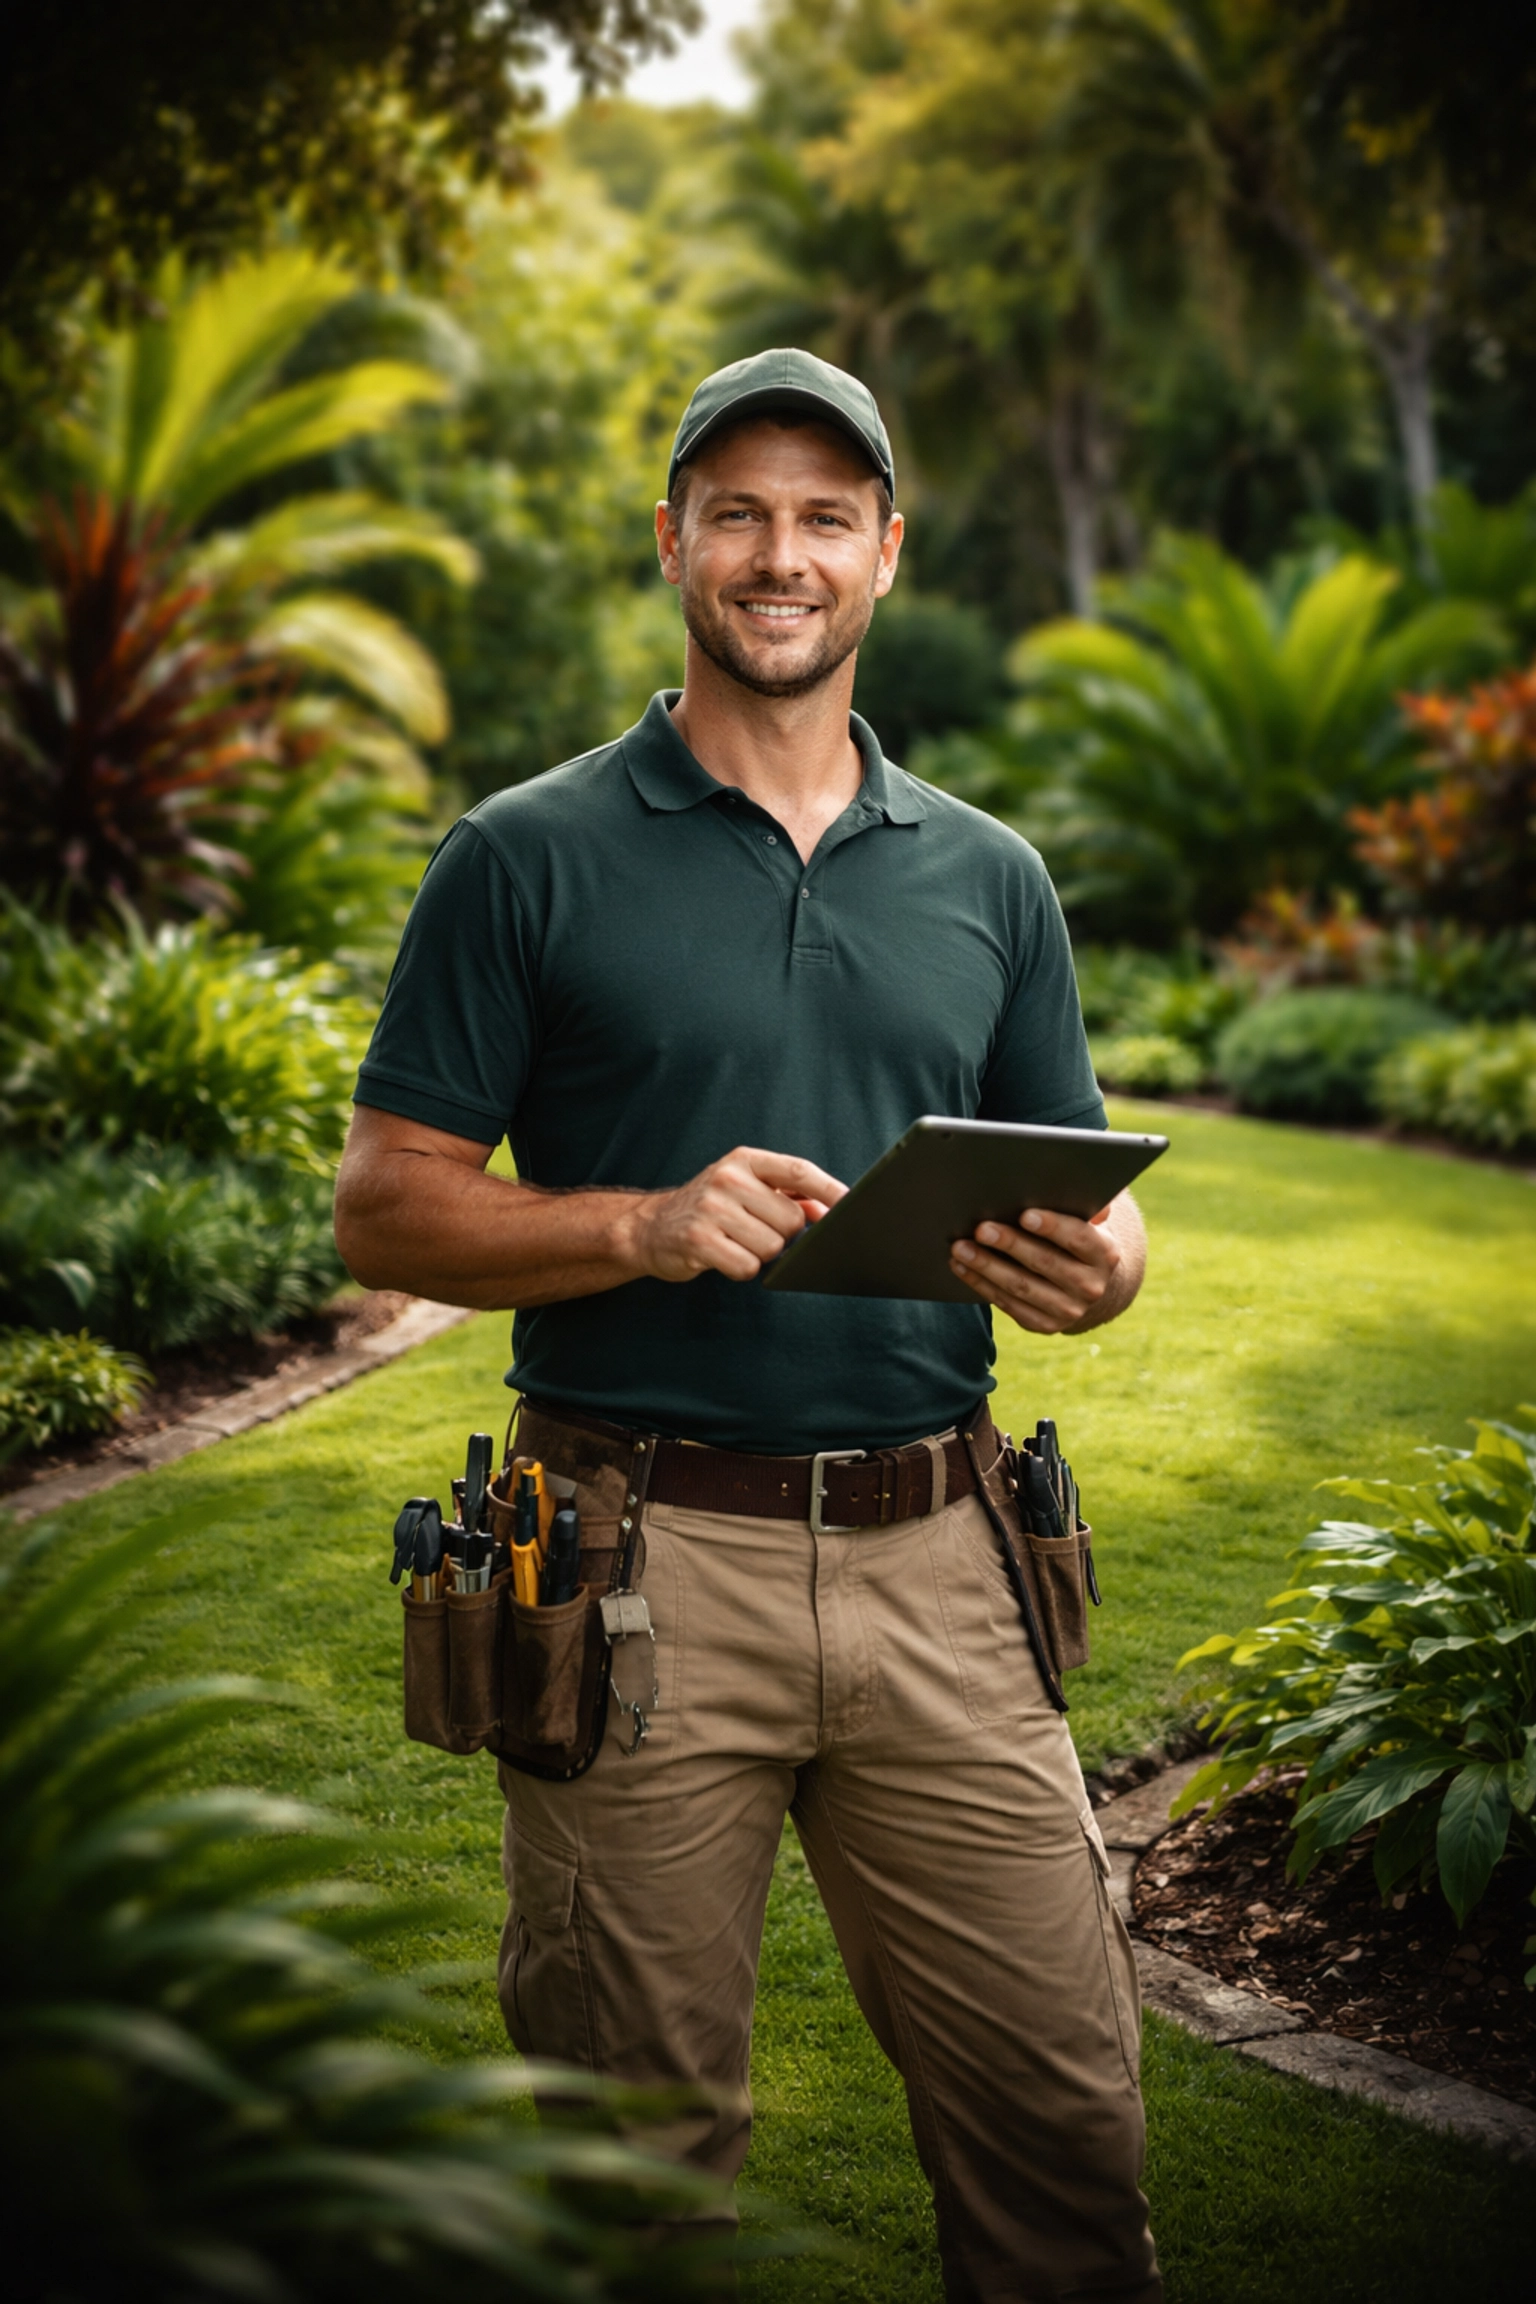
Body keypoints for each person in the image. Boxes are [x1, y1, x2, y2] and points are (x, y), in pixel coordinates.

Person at [334, 348, 1161, 2304]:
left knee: (1068, 2138)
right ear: (673, 542)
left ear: (883, 551)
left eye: (820, 518)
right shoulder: (523, 855)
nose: (777, 556)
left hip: (950, 1567)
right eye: (737, 513)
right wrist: (639, 1216)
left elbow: (1085, 1207)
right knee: (637, 2184)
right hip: (630, 1568)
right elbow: (382, 1205)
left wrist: (1101, 1271)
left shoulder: (990, 877)